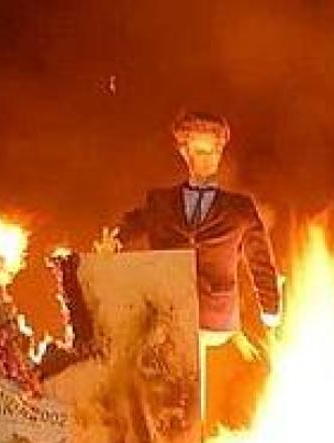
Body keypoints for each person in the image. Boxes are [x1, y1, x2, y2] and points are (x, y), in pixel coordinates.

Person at [112, 111, 282, 424]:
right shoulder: (160, 202)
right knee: (163, 388)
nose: (208, 159)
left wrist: (270, 308)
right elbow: (124, 233)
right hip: (166, 310)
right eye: (200, 151)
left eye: (214, 151)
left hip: (213, 314)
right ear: (184, 152)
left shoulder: (240, 208)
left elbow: (260, 260)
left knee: (193, 388)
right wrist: (107, 246)